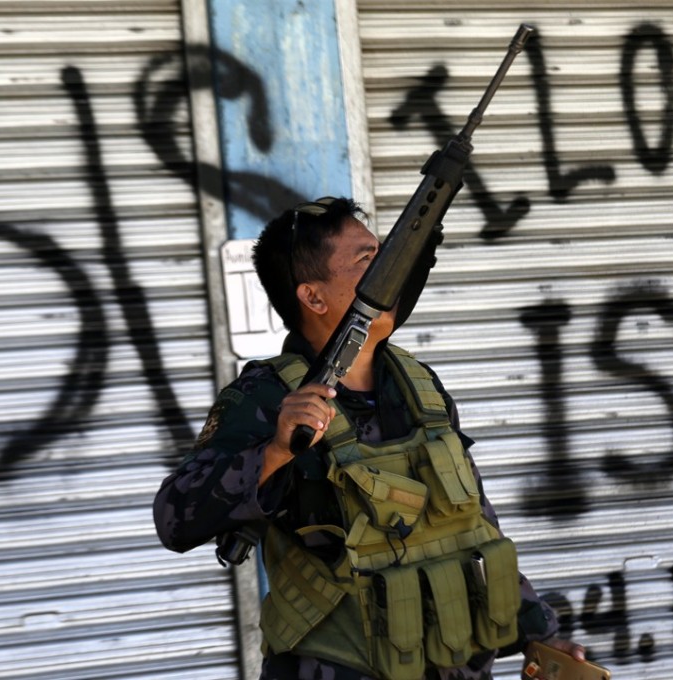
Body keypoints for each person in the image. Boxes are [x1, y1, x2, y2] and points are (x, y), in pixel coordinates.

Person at [154, 197, 586, 679]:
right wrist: (275, 451)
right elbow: (175, 518)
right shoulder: (266, 397)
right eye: (367, 260)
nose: (390, 268)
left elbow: (471, 526)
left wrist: (538, 636)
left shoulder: (417, 384)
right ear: (313, 297)